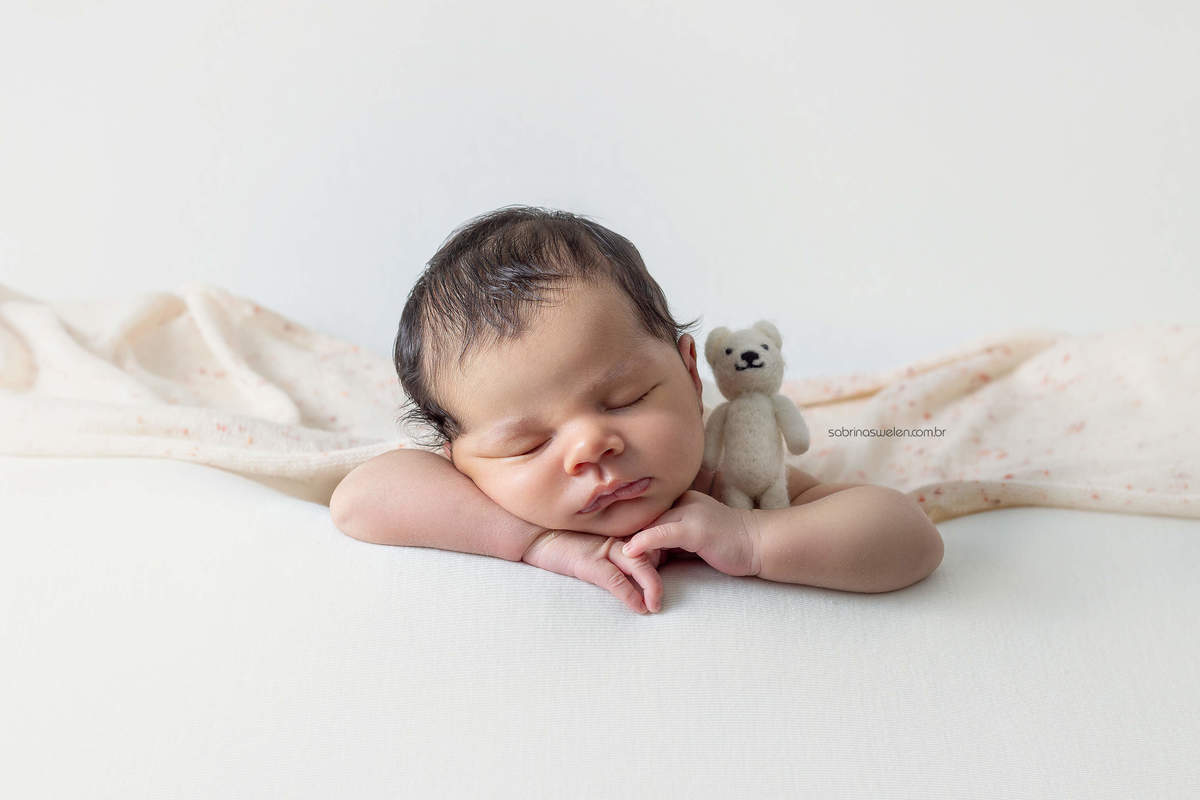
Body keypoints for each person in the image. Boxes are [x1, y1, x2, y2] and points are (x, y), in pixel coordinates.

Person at [330, 205, 943, 614]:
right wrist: (538, 541)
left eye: (625, 399)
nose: (590, 446)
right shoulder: (483, 497)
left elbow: (909, 540)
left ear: (689, 372)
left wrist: (755, 537)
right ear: (457, 458)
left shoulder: (720, 477)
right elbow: (360, 499)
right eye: (527, 444)